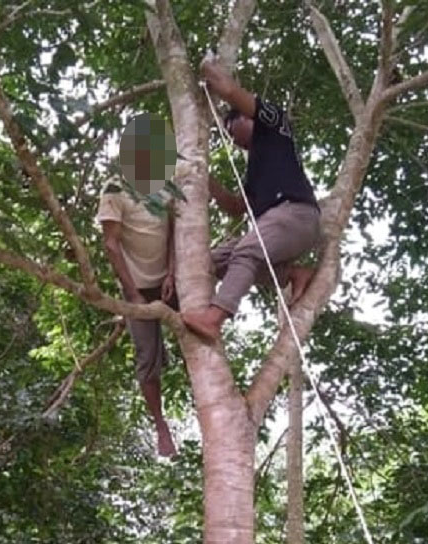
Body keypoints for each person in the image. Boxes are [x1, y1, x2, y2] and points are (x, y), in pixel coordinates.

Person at [181, 57, 322, 341]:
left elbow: (231, 92)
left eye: (232, 131)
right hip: (274, 224)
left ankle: (215, 318)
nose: (233, 141)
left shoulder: (274, 123)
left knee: (247, 252)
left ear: (246, 118)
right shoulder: (256, 169)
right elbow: (235, 207)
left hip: (295, 214)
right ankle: (293, 273)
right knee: (213, 262)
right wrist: (202, 177)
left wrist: (207, 68)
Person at [97, 179, 178, 457]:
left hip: (172, 279)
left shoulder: (167, 184)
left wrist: (171, 272)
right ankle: (161, 427)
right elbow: (111, 243)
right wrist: (132, 294)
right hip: (137, 286)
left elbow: (175, 231)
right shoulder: (115, 189)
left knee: (199, 328)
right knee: (147, 359)